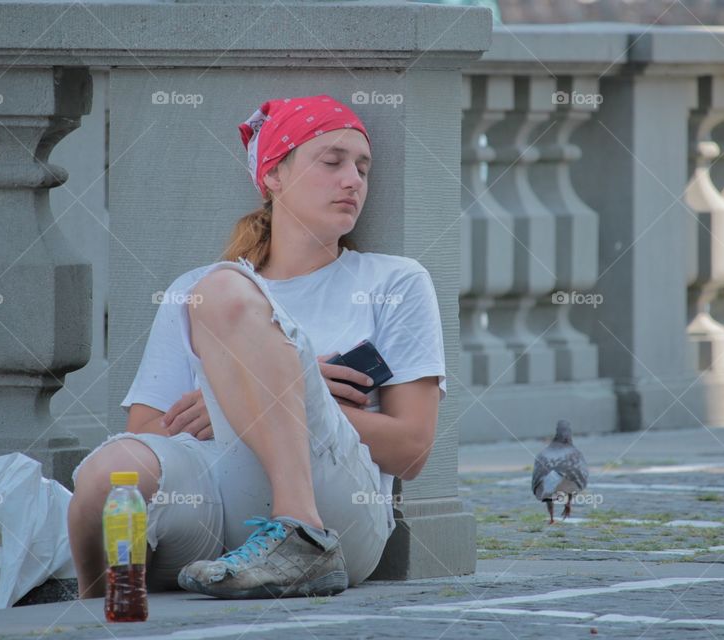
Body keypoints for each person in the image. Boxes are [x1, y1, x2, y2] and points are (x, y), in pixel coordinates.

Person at [67, 94, 447, 600]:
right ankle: (99, 612)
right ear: (273, 176)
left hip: (338, 519)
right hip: (212, 512)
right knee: (106, 476)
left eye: (362, 166)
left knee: (223, 291)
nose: (353, 180)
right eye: (332, 162)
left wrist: (287, 388)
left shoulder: (394, 281)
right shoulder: (197, 289)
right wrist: (245, 398)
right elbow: (148, 433)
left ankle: (299, 532)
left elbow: (412, 450)